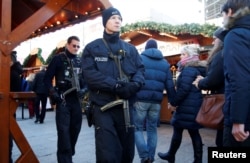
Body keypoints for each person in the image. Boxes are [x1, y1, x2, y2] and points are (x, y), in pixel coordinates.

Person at [81, 7, 145, 163]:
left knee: (127, 154)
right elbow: (90, 75)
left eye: (120, 19)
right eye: (113, 18)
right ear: (105, 22)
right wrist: (115, 85)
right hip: (103, 108)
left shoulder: (130, 49)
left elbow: (141, 70)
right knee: (107, 154)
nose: (117, 21)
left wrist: (134, 85)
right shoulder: (92, 48)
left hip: (126, 109)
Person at [158, 44, 206, 163]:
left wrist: (173, 102)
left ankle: (171, 155)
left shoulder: (189, 69)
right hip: (193, 105)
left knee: (181, 130)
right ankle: (196, 159)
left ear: (190, 56)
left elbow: (183, 89)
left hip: (187, 105)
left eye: (183, 54)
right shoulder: (196, 68)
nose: (181, 56)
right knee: (192, 131)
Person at [44, 36, 86, 163]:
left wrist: (84, 90)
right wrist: (53, 93)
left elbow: (86, 81)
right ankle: (65, 159)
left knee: (75, 130)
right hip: (63, 99)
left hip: (76, 101)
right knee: (63, 133)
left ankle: (68, 152)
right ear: (67, 45)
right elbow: (46, 79)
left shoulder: (80, 61)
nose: (76, 48)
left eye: (78, 46)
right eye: (74, 45)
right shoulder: (58, 59)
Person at [133, 39, 176, 163]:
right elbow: (169, 85)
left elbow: (134, 78)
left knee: (137, 128)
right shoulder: (165, 63)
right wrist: (173, 101)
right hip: (156, 101)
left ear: (146, 48)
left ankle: (144, 156)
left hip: (140, 99)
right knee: (152, 129)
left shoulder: (140, 59)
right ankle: (150, 157)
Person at [221, 0, 250, 147]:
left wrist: (238, 120)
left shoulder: (235, 35)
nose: (222, 20)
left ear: (230, 12)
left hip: (243, 123)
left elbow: (240, 79)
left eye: (223, 15)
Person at [193, 27, 228, 147]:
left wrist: (200, 82)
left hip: (225, 101)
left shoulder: (221, 55)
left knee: (222, 141)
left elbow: (213, 80)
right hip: (232, 100)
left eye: (214, 39)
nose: (213, 42)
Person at [10, 51, 23, 163]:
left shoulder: (11, 74)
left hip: (8, 108)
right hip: (11, 108)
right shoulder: (15, 73)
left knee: (7, 135)